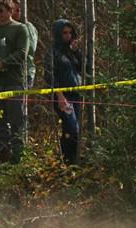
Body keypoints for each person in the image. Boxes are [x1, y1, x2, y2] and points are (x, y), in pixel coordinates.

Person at [0, 0, 29, 163]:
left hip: (13, 80)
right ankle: (5, 152)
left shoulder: (20, 29)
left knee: (16, 119)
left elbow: (22, 53)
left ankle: (19, 156)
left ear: (10, 11)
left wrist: (3, 63)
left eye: (1, 11)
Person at [45, 18, 84, 164]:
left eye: (70, 32)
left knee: (74, 129)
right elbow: (49, 75)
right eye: (64, 33)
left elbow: (84, 69)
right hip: (62, 97)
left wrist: (78, 52)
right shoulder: (53, 52)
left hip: (77, 94)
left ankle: (71, 160)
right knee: (72, 128)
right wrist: (60, 95)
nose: (68, 35)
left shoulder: (73, 51)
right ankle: (68, 160)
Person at [11, 0, 37, 89]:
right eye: (15, 9)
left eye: (19, 9)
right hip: (7, 74)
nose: (17, 11)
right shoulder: (6, 25)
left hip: (25, 72)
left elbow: (29, 49)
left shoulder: (28, 27)